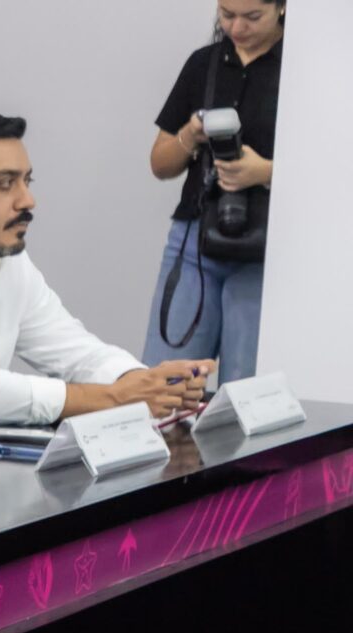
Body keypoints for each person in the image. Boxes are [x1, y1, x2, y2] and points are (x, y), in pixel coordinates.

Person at [0, 112, 213, 427]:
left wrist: (146, 383)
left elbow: (77, 352)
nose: (27, 201)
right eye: (4, 184)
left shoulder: (6, 260)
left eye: (27, 181)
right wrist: (115, 397)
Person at [143, 2, 284, 383]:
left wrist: (265, 172)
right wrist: (190, 134)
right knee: (166, 380)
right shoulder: (203, 64)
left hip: (268, 248)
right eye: (226, 14)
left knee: (246, 387)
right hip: (194, 240)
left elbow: (333, 172)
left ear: (282, 8)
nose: (237, 28)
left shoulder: (302, 69)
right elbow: (160, 165)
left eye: (252, 17)